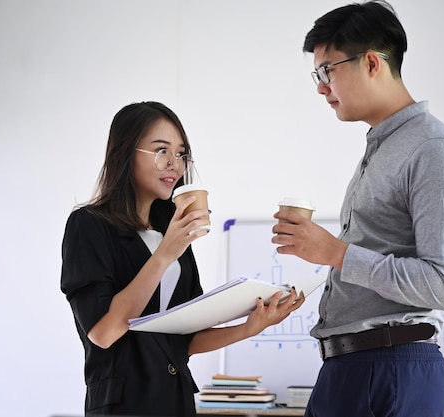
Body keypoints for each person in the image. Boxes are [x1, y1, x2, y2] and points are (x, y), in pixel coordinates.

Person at [271, 2, 444, 416]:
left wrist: (335, 253)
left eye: (327, 70)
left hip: (390, 370)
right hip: (352, 367)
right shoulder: (381, 147)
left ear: (370, 63)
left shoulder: (433, 150)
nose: (320, 87)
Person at [60, 101, 304, 417]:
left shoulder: (171, 229)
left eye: (181, 153)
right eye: (161, 150)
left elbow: (185, 339)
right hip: (124, 405)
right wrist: (164, 254)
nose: (174, 164)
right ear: (125, 152)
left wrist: (250, 327)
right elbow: (103, 333)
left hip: (177, 401)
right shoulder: (89, 225)